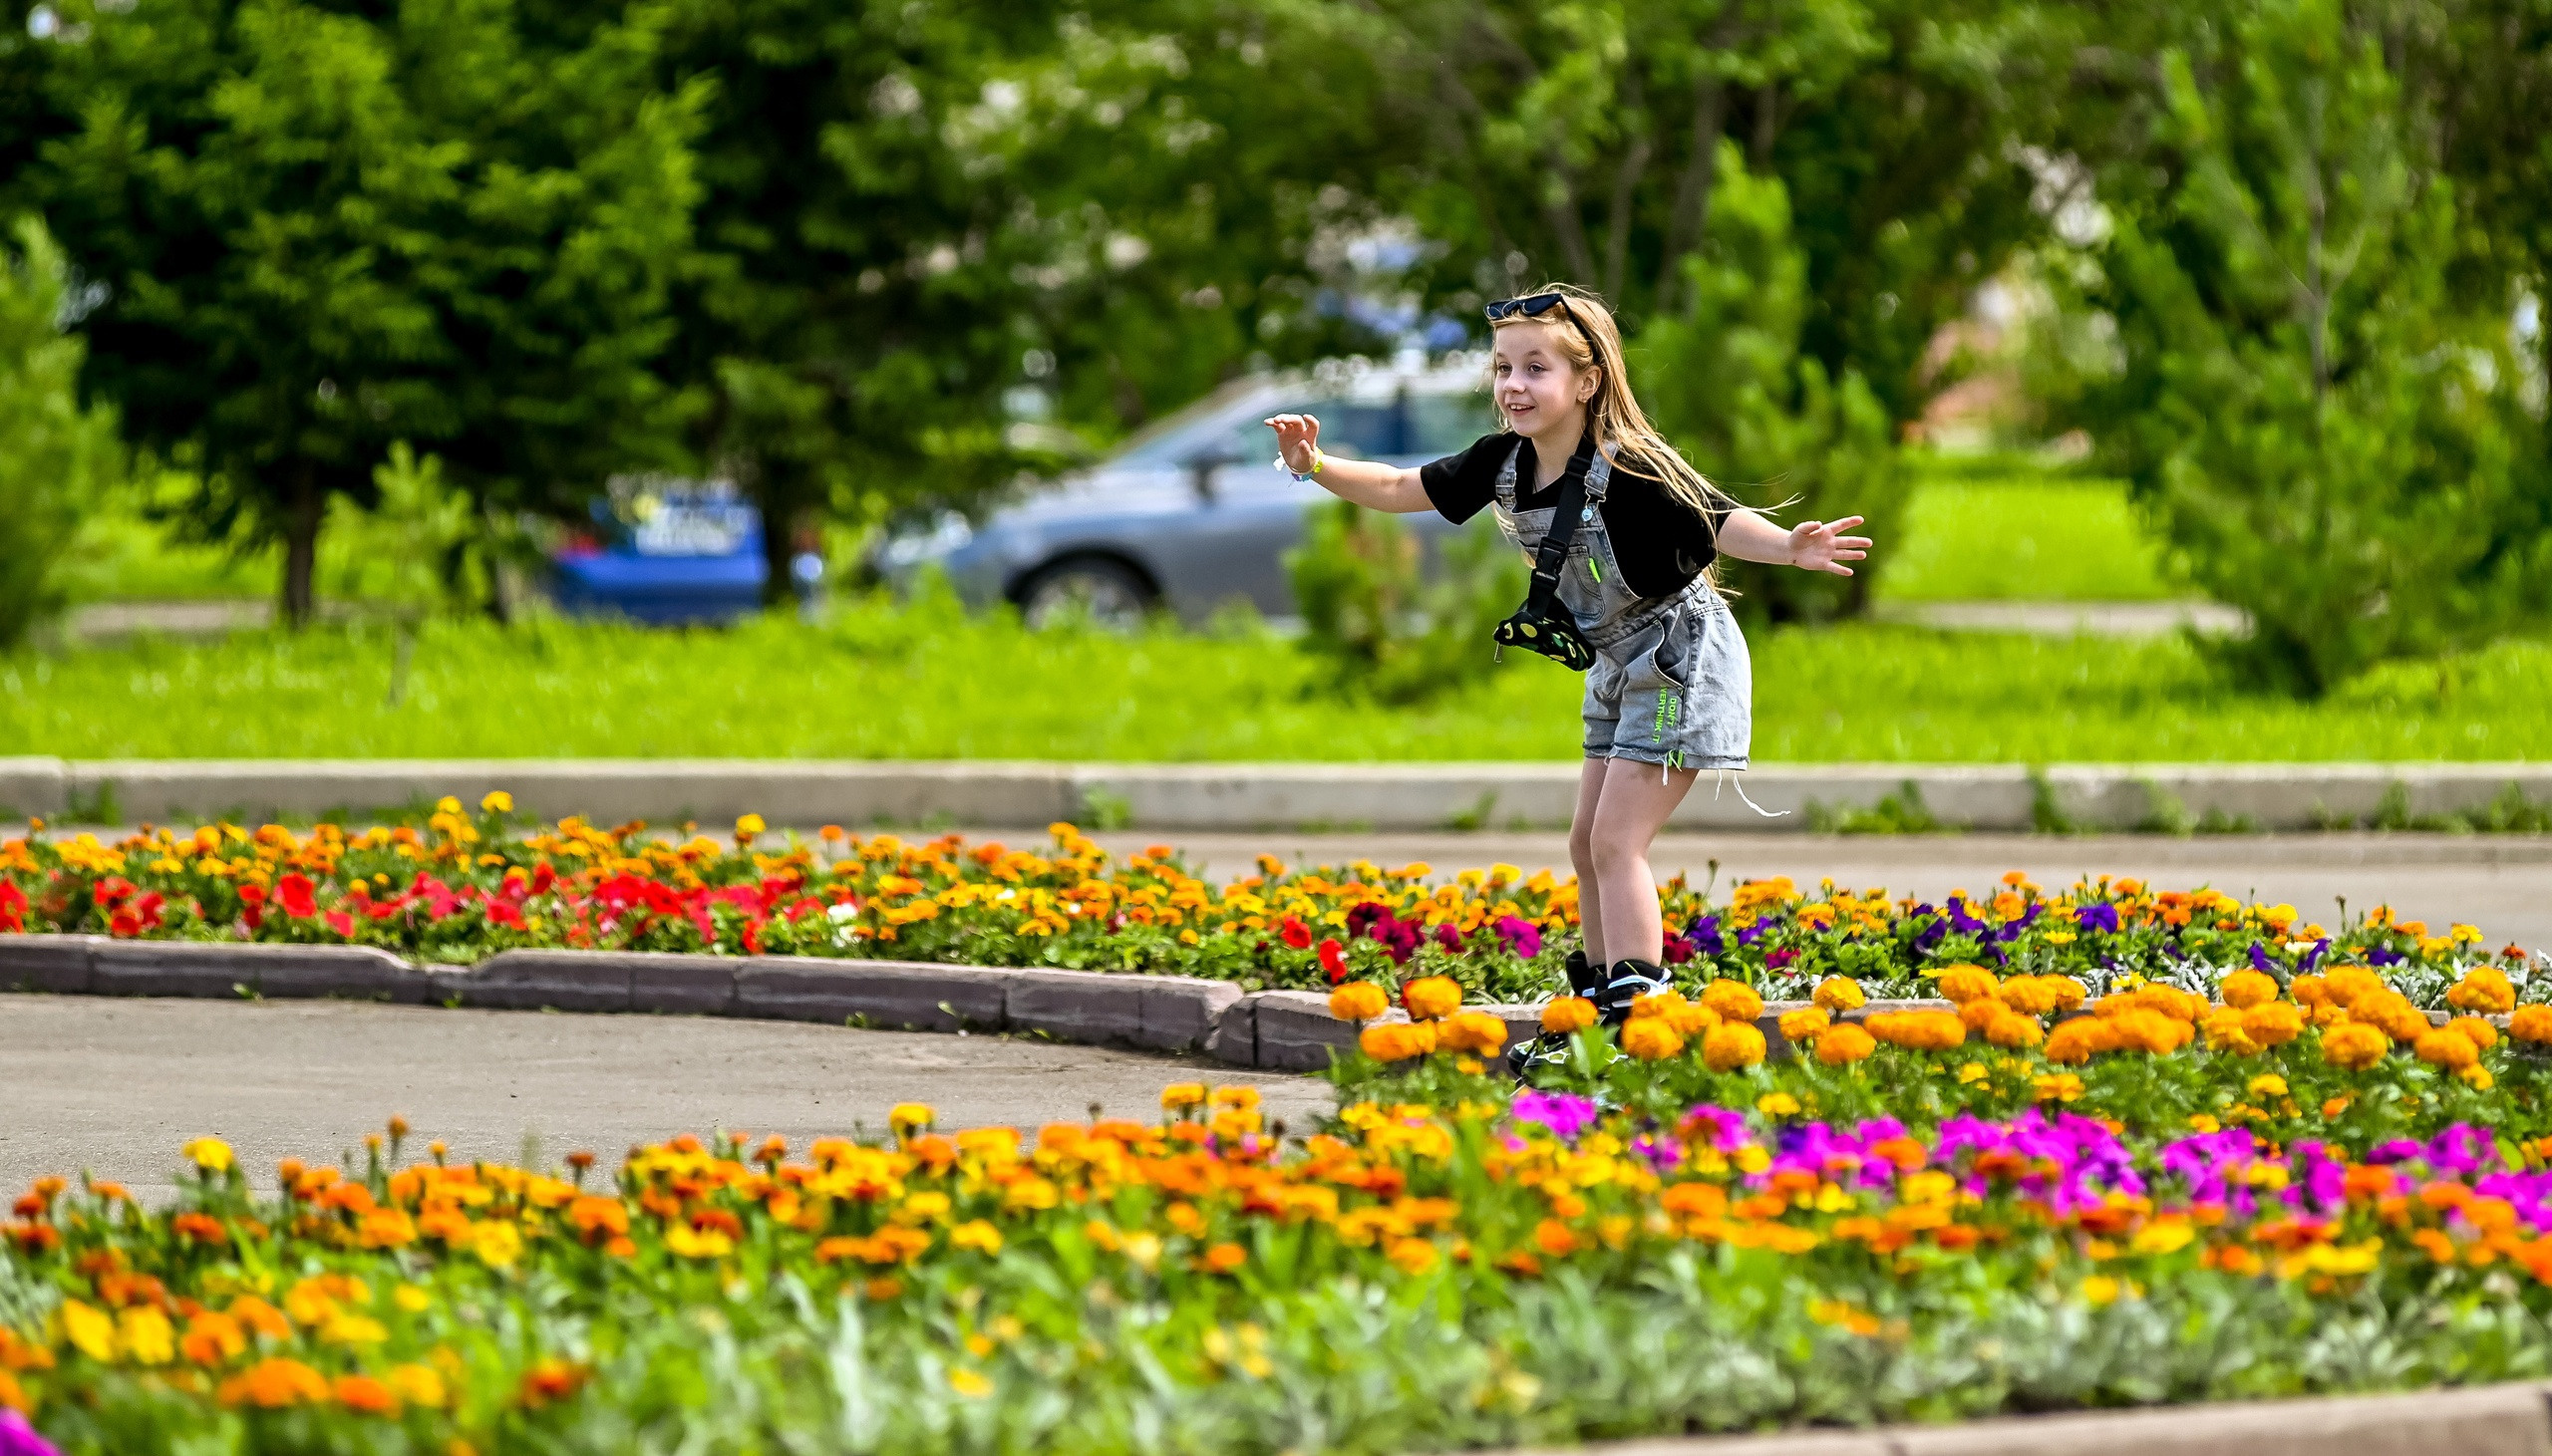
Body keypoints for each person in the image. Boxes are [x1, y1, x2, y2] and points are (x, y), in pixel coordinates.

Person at [1264, 284, 1870, 1049]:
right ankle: (1594, 1019)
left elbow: (1717, 520)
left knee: (1619, 843)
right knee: (1586, 842)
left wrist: (1789, 547)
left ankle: (1639, 1031)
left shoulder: (1632, 467)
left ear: (1586, 382)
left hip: (1682, 656)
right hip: (1617, 663)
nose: (1513, 386)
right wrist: (1311, 462)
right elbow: (1396, 486)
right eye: (1503, 369)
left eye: (1535, 368)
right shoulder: (1503, 463)